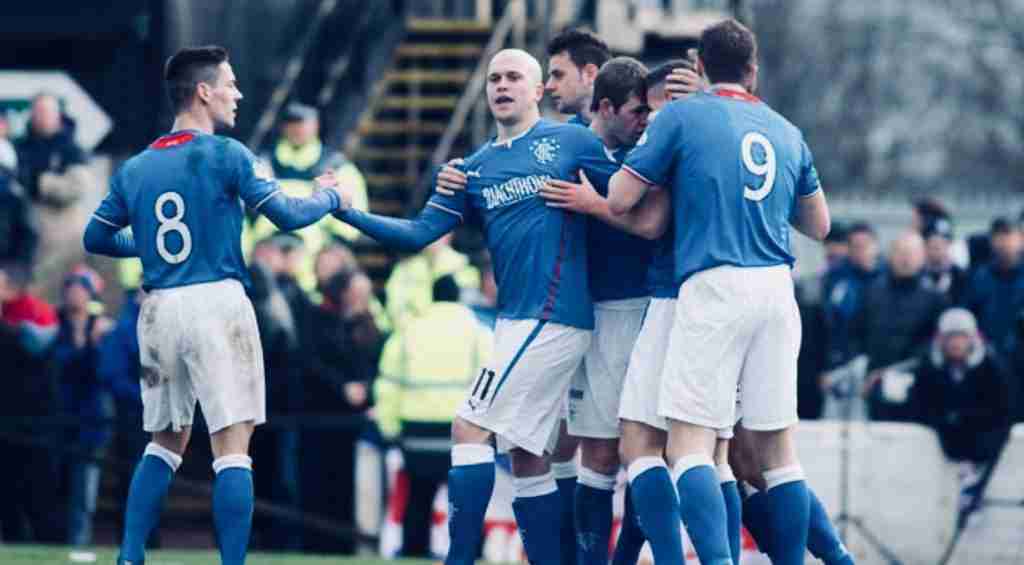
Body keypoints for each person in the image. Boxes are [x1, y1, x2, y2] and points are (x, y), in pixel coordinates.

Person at [332, 48, 665, 565]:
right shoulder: (473, 169)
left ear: (537, 91)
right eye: (494, 78)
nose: (502, 85)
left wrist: (657, 152)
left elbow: (632, 193)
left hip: (554, 317)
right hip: (515, 321)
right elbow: (418, 234)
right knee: (526, 455)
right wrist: (349, 212)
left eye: (514, 77)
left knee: (469, 426)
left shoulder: (571, 141)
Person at [81, 45, 347, 565]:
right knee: (232, 445)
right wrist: (332, 198)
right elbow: (289, 217)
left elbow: (97, 236)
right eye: (230, 83)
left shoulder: (136, 167)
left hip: (158, 308)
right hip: (216, 302)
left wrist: (149, 244)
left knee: (165, 441)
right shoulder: (228, 154)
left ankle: (129, 557)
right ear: (204, 92)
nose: (237, 94)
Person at [608, 19, 833, 565]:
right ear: (753, 70)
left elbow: (619, 198)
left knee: (691, 445)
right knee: (778, 453)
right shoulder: (785, 129)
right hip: (777, 288)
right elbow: (820, 224)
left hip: (713, 284)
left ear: (700, 66)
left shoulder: (683, 115)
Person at [537, 57, 674, 564]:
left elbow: (651, 225)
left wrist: (593, 203)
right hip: (588, 314)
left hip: (643, 309)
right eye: (638, 111)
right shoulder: (571, 148)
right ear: (608, 107)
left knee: (647, 449)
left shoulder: (650, 154)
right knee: (594, 452)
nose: (645, 120)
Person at [375, 274, 494, 558]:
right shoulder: (477, 332)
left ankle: (414, 549)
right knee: (467, 494)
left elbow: (387, 385)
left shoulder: (407, 331)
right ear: (458, 297)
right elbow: (490, 378)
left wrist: (389, 428)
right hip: (462, 428)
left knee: (419, 493)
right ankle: (471, 550)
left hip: (416, 428)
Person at [247, 102, 370, 293]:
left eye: (302, 122)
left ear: (316, 125)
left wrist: (327, 250)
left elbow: (351, 224)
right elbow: (243, 217)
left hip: (315, 252)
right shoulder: (261, 164)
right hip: (267, 249)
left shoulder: (336, 167)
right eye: (291, 123)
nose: (297, 128)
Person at [909, 308, 1012, 525]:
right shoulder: (928, 367)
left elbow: (1003, 408)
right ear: (941, 340)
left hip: (980, 436)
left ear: (972, 339)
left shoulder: (992, 367)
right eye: (951, 337)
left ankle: (972, 490)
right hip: (945, 433)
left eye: (961, 337)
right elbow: (920, 403)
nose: (956, 343)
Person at [51, 265, 114, 547]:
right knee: (58, 482)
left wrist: (93, 342)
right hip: (62, 415)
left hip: (93, 418)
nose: (74, 295)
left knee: (85, 486)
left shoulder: (102, 328)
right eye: (71, 289)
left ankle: (79, 541)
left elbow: (103, 371)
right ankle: (55, 541)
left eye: (80, 290)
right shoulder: (56, 324)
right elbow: (59, 360)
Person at [0, 261, 62, 543]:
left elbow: (35, 347)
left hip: (35, 423)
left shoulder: (36, 313)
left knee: (39, 494)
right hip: (8, 422)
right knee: (8, 496)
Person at [854, 231, 947, 421]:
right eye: (900, 252)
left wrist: (900, 369)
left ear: (922, 257)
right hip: (876, 382)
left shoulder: (935, 298)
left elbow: (935, 343)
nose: (905, 258)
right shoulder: (872, 292)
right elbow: (857, 333)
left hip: (917, 383)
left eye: (911, 253)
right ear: (890, 256)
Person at [544, 28, 611, 127]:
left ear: (590, 74)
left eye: (558, 75)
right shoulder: (567, 134)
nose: (548, 86)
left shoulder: (632, 129)